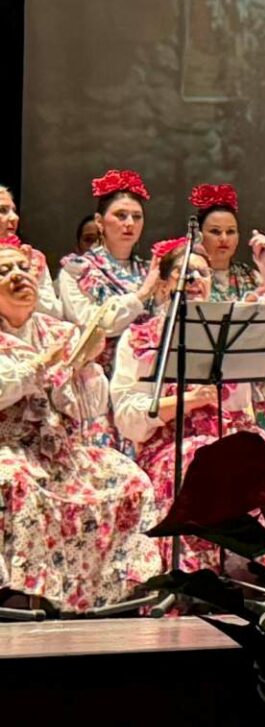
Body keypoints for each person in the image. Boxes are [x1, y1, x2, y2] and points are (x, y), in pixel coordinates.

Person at [1, 234, 162, 612]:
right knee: (14, 480)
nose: (18, 275)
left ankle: (114, 591)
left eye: (23, 267)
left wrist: (84, 366)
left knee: (129, 477)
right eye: (4, 271)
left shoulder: (59, 331)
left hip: (61, 449)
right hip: (10, 446)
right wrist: (41, 364)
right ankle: (24, 593)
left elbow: (89, 408)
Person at [110, 237, 265, 563]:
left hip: (234, 435)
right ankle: (201, 571)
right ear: (164, 284)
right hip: (173, 444)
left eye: (202, 273)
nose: (194, 280)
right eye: (184, 273)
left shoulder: (230, 328)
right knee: (202, 459)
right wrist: (189, 400)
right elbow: (127, 416)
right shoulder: (140, 338)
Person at [192, 183, 265, 431]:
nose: (224, 239)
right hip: (208, 388)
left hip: (255, 386)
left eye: (230, 232)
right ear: (199, 235)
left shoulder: (251, 276)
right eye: (215, 231)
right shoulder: (191, 278)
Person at [58, 169, 162, 358]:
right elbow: (90, 326)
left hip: (144, 368)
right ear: (99, 221)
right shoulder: (77, 270)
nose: (130, 223)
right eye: (120, 215)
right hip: (96, 370)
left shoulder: (150, 270)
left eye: (137, 216)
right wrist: (142, 294)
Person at [0, 183, 61, 317]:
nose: (14, 217)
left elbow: (54, 312)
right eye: (2, 210)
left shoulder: (33, 258)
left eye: (14, 211)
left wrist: (28, 278)